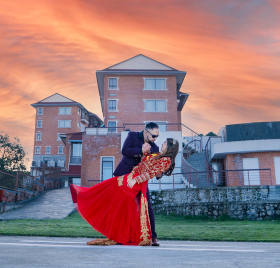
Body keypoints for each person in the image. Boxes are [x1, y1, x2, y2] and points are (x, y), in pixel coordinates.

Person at [70, 138, 179, 246]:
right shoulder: (158, 155)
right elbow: (144, 164)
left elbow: (150, 173)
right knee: (113, 193)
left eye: (165, 143)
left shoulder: (166, 160)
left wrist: (136, 179)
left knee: (117, 197)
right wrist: (144, 152)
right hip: (131, 177)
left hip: (136, 181)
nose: (162, 143)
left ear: (170, 147)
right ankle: (88, 198)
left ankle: (86, 198)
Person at [113, 122, 161, 246]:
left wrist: (161, 171)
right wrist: (141, 150)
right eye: (153, 136)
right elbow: (125, 151)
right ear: (146, 132)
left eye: (157, 136)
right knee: (122, 206)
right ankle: (119, 236)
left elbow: (154, 169)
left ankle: (153, 237)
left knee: (148, 205)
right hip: (125, 177)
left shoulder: (155, 149)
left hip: (140, 181)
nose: (155, 139)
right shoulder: (132, 136)